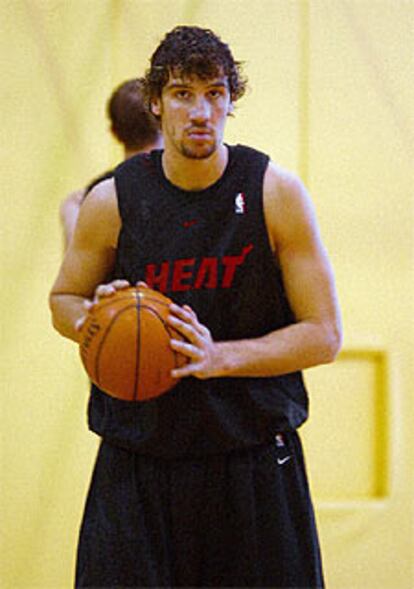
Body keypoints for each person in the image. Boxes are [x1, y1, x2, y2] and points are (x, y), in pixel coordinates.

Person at [49, 25, 342, 588]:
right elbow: (63, 300)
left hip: (251, 463)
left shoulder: (273, 193)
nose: (201, 110)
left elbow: (323, 334)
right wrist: (93, 318)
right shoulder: (111, 201)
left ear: (233, 99)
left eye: (215, 93)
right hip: (138, 465)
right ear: (155, 103)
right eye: (183, 93)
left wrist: (220, 356)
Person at [59, 78, 162, 249]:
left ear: (114, 132)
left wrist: (70, 214)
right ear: (163, 124)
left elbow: (78, 266)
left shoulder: (98, 193)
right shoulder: (186, 182)